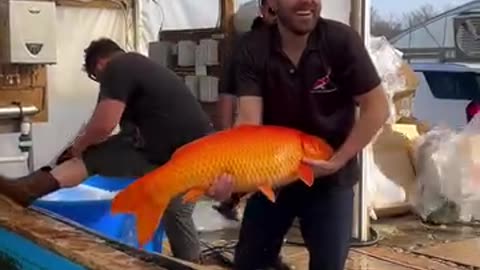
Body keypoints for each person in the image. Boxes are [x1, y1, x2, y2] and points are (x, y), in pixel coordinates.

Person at [208, 0, 390, 269]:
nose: (308, 1)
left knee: (328, 265)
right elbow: (249, 124)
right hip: (272, 177)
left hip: (331, 178)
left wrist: (338, 161)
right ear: (271, 4)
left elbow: (377, 107)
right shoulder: (253, 47)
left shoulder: (340, 41)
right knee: (250, 263)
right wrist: (229, 181)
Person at [0, 38, 215, 263]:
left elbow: (103, 125)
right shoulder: (140, 67)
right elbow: (112, 128)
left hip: (183, 153)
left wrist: (77, 148)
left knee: (92, 157)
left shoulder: (117, 67)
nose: (99, 82)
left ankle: (28, 189)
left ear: (100, 64)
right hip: (191, 149)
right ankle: (190, 263)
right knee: (176, 210)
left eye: (95, 76)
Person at [213, 0, 277, 221]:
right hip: (270, 137)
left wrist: (224, 139)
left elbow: (225, 99)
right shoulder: (246, 48)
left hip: (258, 137)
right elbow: (227, 97)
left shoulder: (239, 46)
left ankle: (234, 202)